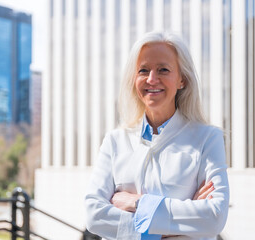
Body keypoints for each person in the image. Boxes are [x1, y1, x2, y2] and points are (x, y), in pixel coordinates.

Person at [85, 31, 229, 240]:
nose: (152, 79)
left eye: (163, 69)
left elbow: (214, 217)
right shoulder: (115, 141)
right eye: (143, 70)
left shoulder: (208, 139)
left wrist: (137, 203)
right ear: (134, 79)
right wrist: (174, 229)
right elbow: (94, 216)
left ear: (182, 80)